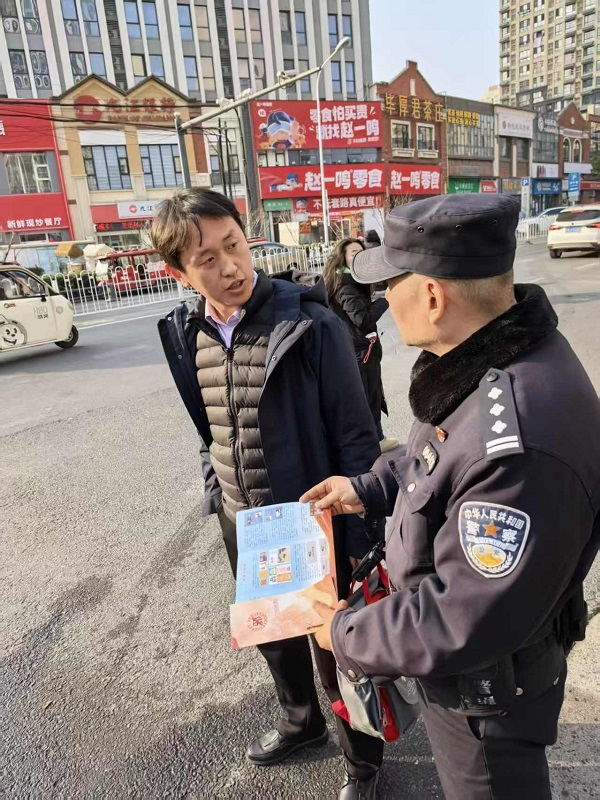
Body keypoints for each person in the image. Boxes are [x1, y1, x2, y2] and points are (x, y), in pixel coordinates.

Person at [302, 193, 600, 800]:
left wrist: (345, 633)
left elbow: (462, 616)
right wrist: (367, 488)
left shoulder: (516, 440)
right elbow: (438, 459)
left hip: (485, 696)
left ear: (433, 296)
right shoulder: (491, 356)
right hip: (474, 674)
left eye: (391, 283)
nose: (385, 300)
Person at [153, 189, 384, 800]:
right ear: (179, 272)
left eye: (234, 245)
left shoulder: (311, 324)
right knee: (273, 637)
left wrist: (358, 533)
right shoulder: (188, 333)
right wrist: (219, 495)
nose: (230, 267)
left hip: (314, 521)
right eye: (207, 259)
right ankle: (300, 722)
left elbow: (356, 437)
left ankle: (363, 763)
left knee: (336, 648)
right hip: (246, 522)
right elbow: (210, 428)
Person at [323, 238, 398, 454]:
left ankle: (376, 439)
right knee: (366, 398)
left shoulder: (350, 280)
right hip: (359, 349)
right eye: (354, 253)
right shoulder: (345, 285)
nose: (359, 256)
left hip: (359, 348)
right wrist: (385, 300)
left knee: (370, 396)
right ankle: (371, 443)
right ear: (343, 258)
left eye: (361, 252)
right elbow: (362, 319)